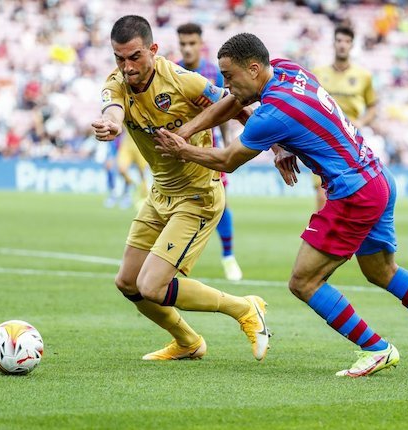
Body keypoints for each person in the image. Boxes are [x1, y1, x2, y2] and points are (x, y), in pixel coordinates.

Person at [154, 33, 408, 377]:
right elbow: (239, 103)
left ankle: (376, 348)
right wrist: (188, 131)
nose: (225, 83)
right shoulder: (286, 69)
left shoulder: (273, 113)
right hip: (378, 177)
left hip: (353, 192)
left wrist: (181, 150)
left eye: (229, 76)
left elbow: (228, 159)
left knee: (303, 282)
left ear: (252, 69)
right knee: (382, 271)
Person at [91, 16, 269, 362]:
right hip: (160, 194)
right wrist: (111, 125)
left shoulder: (183, 81)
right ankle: (188, 342)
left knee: (152, 287)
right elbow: (112, 109)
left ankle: (244, 308)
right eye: (119, 58)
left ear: (153, 50)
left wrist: (276, 146)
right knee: (127, 282)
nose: (126, 67)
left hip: (197, 196)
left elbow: (237, 106)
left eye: (134, 57)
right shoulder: (116, 83)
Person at [176, 23, 243, 281]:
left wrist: (226, 146)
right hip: (180, 151)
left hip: (208, 151)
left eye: (192, 43)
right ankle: (174, 259)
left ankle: (228, 257)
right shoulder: (173, 70)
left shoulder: (213, 72)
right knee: (178, 203)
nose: (187, 48)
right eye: (183, 44)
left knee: (222, 203)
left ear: (200, 43)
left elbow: (225, 110)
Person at [311, 25, 378, 211]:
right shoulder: (317, 73)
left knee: (352, 193)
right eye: (339, 40)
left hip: (351, 140)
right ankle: (322, 236)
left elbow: (373, 107)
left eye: (347, 42)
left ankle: (342, 235)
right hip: (322, 139)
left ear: (352, 45)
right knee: (322, 191)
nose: (342, 45)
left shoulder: (364, 76)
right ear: (334, 43)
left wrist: (362, 122)